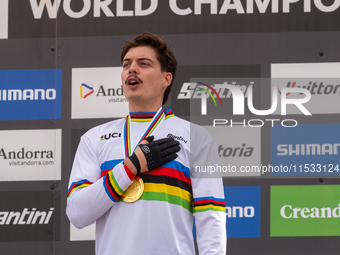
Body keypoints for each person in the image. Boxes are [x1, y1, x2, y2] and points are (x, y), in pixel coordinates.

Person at [66, 32, 226, 255]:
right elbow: (77, 214)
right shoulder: (95, 138)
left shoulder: (197, 137)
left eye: (144, 64)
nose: (132, 69)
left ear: (166, 79)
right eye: (126, 64)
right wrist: (130, 167)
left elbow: (211, 217)